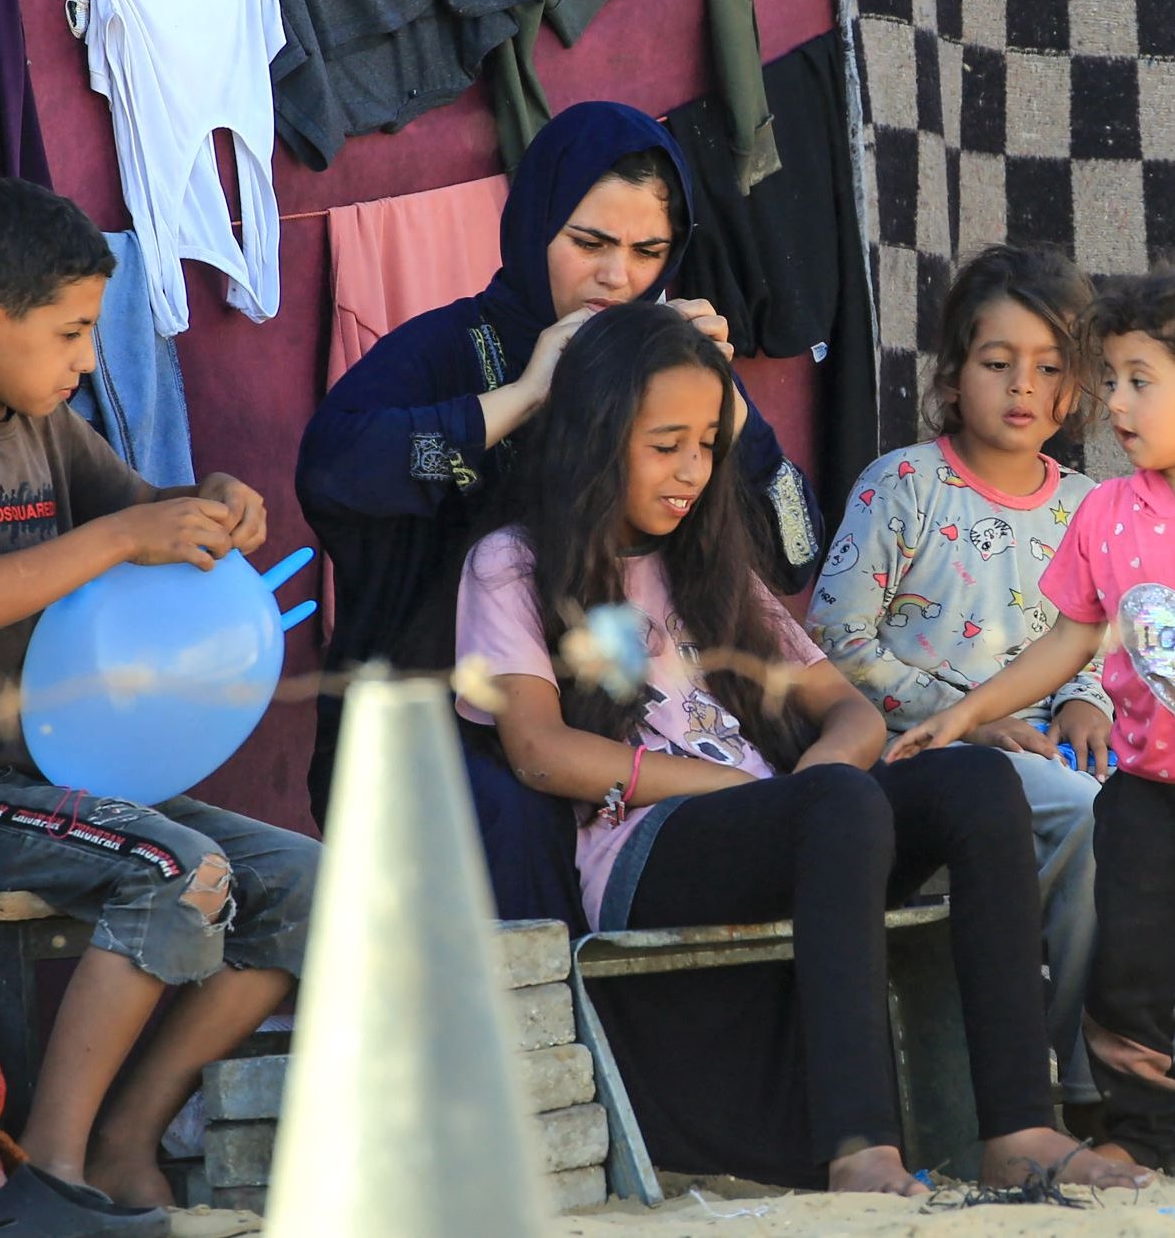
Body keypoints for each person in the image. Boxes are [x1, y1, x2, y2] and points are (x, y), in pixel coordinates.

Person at [453, 300, 1146, 1193]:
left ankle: (1017, 1126)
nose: (692, 471)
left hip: (797, 820)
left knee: (976, 782)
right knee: (836, 801)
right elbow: (539, 749)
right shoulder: (511, 564)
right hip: (646, 848)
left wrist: (820, 776)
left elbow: (848, 711)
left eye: (708, 445)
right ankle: (860, 1146)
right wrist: (756, 795)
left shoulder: (709, 567)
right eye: (665, 445)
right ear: (593, 438)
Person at [0, 179, 319, 1221]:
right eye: (71, 332)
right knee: (176, 868)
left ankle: (124, 1136)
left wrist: (210, 502)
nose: (89, 360)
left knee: (305, 883)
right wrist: (121, 536)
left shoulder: (48, 430)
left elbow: (146, 510)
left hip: (64, 783)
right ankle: (50, 1178)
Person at [296, 101, 822, 909]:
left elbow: (792, 551)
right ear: (536, 225)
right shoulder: (448, 351)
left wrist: (729, 407)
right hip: (435, 719)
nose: (618, 277)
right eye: (589, 243)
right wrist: (519, 398)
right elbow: (333, 469)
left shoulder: (668, 375)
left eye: (648, 252)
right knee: (512, 807)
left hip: (640, 720)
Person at [805, 245, 1108, 1136]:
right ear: (950, 375)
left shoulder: (1089, 505)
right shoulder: (902, 485)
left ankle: (1142, 1055)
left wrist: (1087, 696)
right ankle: (1087, 1084)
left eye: (1049, 367)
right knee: (1086, 816)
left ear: (1075, 388)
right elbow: (834, 642)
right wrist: (967, 723)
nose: (1023, 387)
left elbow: (1103, 633)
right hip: (930, 757)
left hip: (1058, 747)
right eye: (997, 362)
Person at [891, 270, 1175, 1173]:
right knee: (1128, 974)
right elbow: (1069, 637)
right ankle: (1144, 1137)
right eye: (1111, 379)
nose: (1113, 402)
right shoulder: (1106, 512)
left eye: (1139, 381)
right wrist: (964, 713)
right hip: (1144, 794)